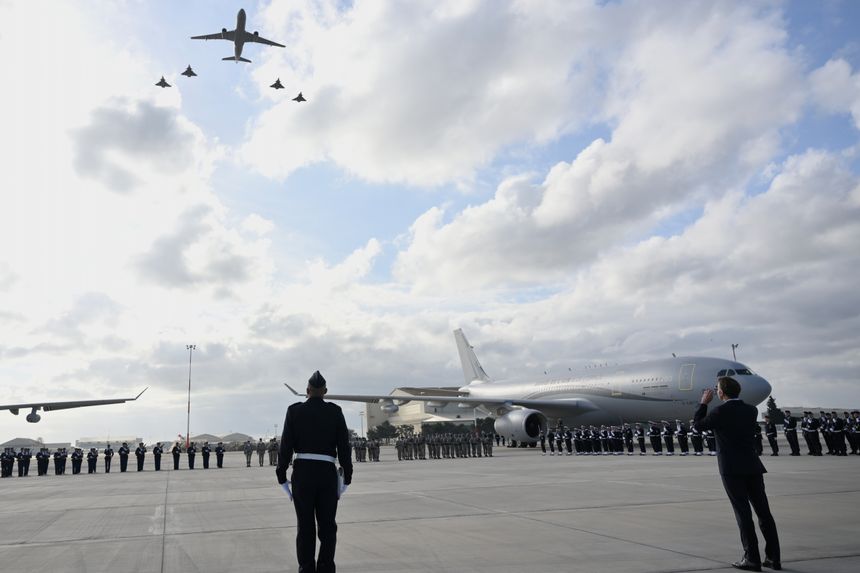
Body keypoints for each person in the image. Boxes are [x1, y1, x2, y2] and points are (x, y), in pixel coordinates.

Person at [694, 377, 780, 571]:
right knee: (764, 513)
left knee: (743, 514)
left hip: (731, 469)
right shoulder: (751, 410)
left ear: (721, 393)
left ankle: (752, 559)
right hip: (753, 466)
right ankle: (773, 558)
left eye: (717, 390)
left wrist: (703, 404)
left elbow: (697, 426)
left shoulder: (719, 412)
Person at [276, 371, 353, 573]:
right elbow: (344, 447)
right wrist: (347, 476)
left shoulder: (294, 411)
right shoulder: (335, 411)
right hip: (327, 474)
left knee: (305, 526)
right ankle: (326, 567)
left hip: (302, 474)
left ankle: (306, 568)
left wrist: (281, 474)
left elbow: (285, 446)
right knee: (328, 525)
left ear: (307, 391)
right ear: (325, 392)